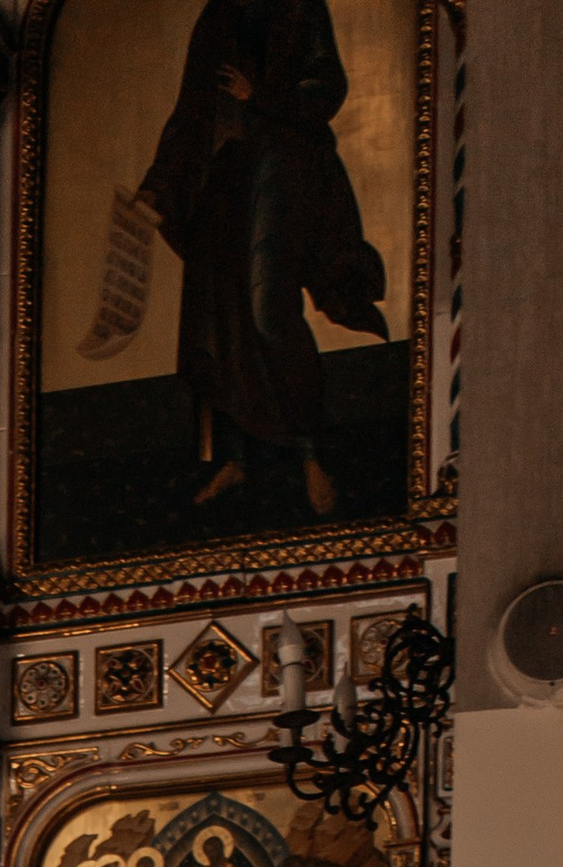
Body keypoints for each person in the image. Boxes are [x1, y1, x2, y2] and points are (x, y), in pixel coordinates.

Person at [134, 0, 389, 521]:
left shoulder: (298, 6)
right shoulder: (217, 15)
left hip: (282, 163)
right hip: (221, 176)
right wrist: (158, 185)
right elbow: (192, 108)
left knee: (267, 310)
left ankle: (313, 453)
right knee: (216, 324)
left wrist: (263, 98)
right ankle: (235, 457)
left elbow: (328, 87)